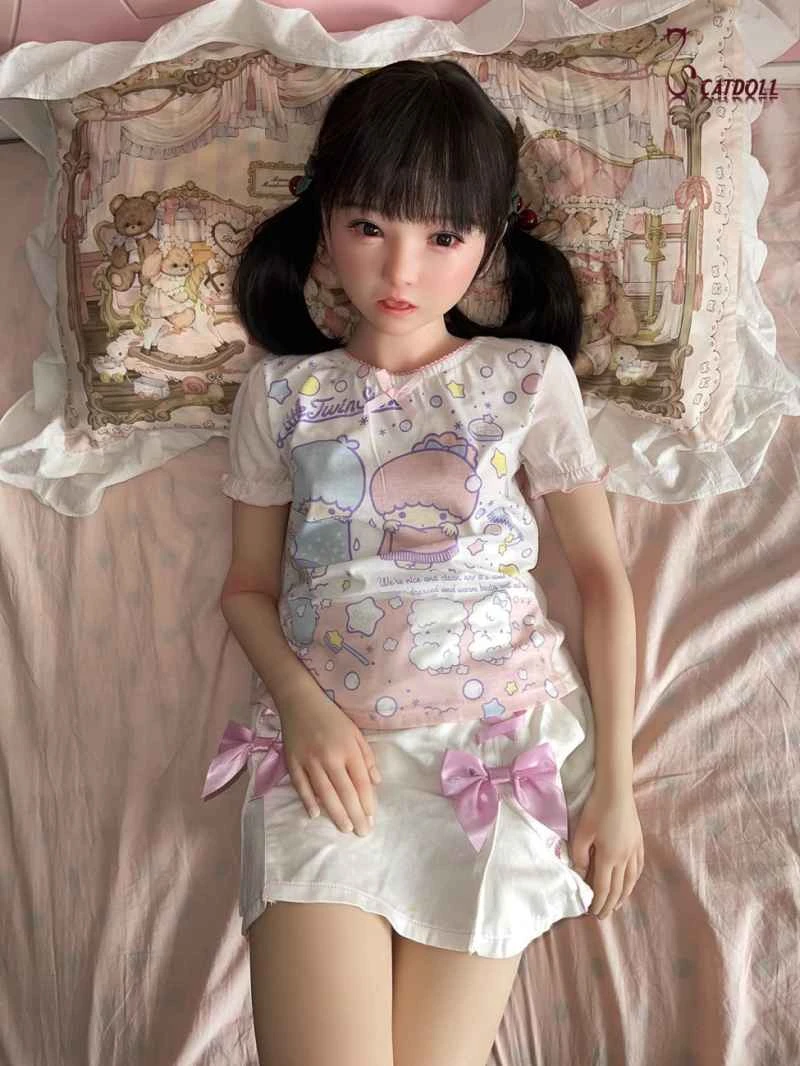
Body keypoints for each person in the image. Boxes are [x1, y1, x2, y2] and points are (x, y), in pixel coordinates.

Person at [202, 58, 644, 1066]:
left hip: (497, 751)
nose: (400, 273)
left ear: (490, 241)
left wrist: (615, 786)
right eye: (369, 226)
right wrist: (302, 706)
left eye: (442, 237)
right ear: (323, 223)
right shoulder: (282, 395)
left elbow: (601, 581)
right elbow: (245, 590)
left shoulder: (526, 378)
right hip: (331, 757)